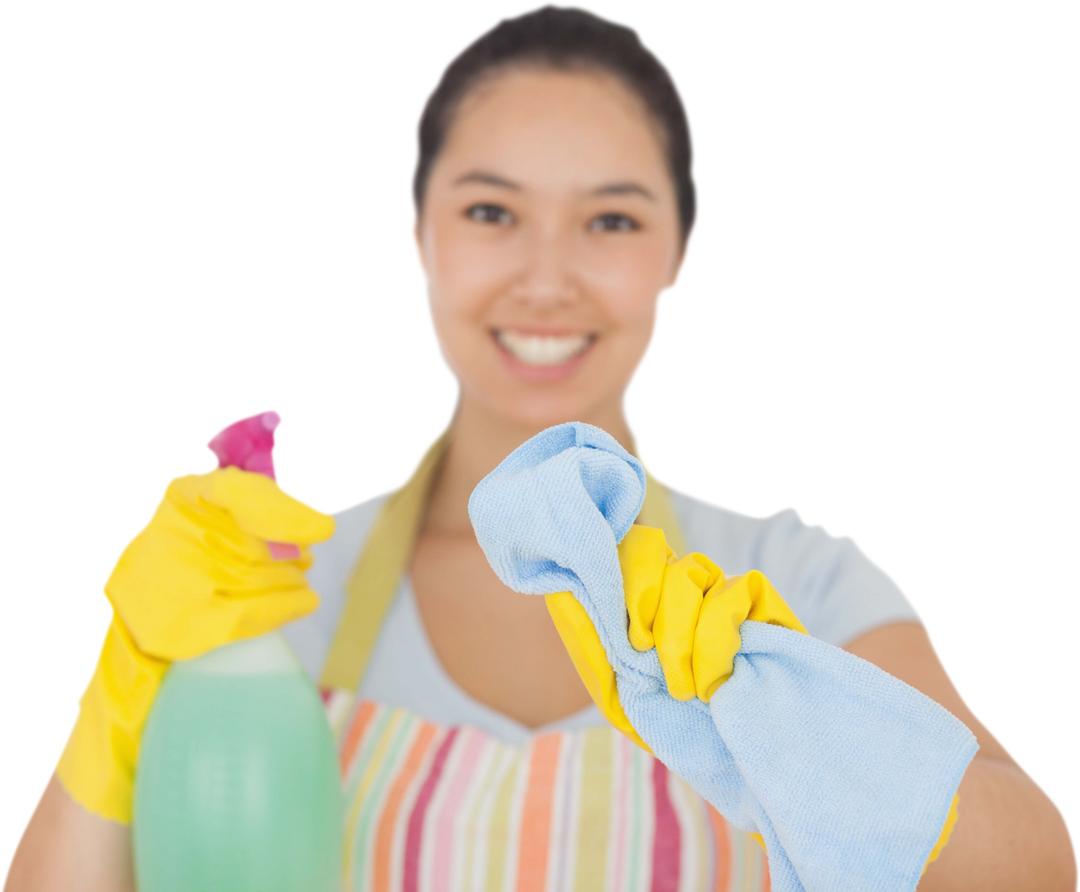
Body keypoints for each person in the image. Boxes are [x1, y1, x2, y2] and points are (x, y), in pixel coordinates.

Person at [8, 3, 1075, 890]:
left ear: (681, 249)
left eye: (609, 221)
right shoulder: (263, 591)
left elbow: (1036, 867)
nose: (547, 279)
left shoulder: (788, 582)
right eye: (490, 212)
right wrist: (126, 688)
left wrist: (793, 698)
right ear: (419, 232)